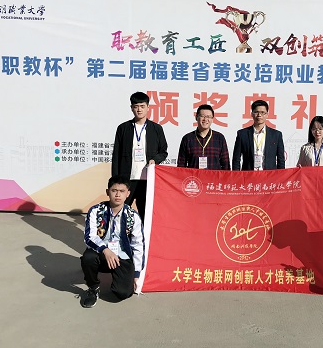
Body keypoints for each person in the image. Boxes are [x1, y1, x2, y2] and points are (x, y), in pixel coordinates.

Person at [80, 175, 145, 308]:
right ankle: (93, 288)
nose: (117, 195)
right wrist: (105, 250)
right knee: (88, 257)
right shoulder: (96, 211)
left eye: (122, 191)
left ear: (128, 194)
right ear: (107, 192)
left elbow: (138, 244)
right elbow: (89, 237)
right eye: (114, 190)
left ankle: (120, 278)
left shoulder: (133, 216)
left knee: (123, 293)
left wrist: (136, 273)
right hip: (101, 254)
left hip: (122, 256)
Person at [111, 92, 168, 222]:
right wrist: (115, 179)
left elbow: (163, 151)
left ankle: (142, 235)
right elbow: (116, 155)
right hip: (127, 179)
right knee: (121, 211)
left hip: (147, 179)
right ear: (131, 108)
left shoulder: (156, 129)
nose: (139, 109)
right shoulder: (123, 128)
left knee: (145, 212)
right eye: (136, 106)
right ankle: (120, 234)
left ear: (148, 107)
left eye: (142, 106)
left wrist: (155, 160)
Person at [232, 99, 285, 170]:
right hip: (249, 174)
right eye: (256, 112)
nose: (259, 115)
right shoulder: (242, 134)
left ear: (267, 115)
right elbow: (236, 159)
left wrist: (280, 175)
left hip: (269, 175)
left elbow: (281, 160)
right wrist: (237, 175)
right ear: (252, 114)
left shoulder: (276, 135)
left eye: (262, 112)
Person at [177, 104, 230, 170]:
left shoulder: (219, 138)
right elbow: (181, 165)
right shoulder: (187, 139)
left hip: (214, 176)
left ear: (212, 119)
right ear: (196, 117)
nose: (205, 119)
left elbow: (226, 165)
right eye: (202, 116)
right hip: (193, 176)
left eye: (208, 117)